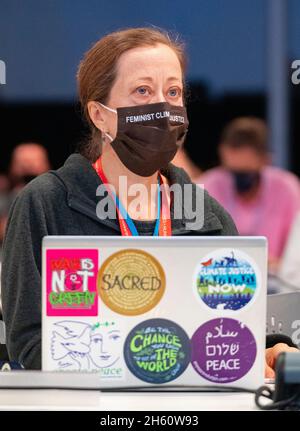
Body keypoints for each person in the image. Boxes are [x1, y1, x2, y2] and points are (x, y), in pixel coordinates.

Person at [1, 28, 297, 375]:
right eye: (142, 91)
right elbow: (28, 342)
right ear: (99, 114)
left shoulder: (207, 215)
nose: (162, 106)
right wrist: (152, 367)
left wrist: (268, 350)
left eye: (172, 91)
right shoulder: (45, 205)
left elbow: (228, 331)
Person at [197, 117, 300, 273]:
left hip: (275, 282)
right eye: (233, 172)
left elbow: (295, 256)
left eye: (246, 173)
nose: (239, 181)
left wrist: (277, 264)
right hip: (219, 280)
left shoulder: (287, 188)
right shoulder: (207, 186)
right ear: (223, 155)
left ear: (265, 160)